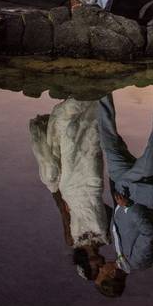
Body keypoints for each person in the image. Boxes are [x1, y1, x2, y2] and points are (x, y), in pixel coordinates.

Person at [92, 81, 153, 297]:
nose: (100, 268)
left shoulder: (117, 250)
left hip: (122, 181)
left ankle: (103, 85)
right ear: (111, 276)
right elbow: (149, 232)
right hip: (146, 185)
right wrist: (129, 206)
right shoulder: (139, 261)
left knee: (107, 138)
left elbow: (118, 217)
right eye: (102, 273)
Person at [28, 97, 112, 281]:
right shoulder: (107, 238)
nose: (99, 266)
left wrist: (55, 191)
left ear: (85, 264)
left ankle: (76, 104)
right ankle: (93, 101)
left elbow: (63, 213)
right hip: (93, 186)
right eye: (99, 269)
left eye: (95, 269)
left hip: (72, 189)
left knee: (72, 146)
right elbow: (108, 210)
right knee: (91, 145)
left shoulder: (72, 240)